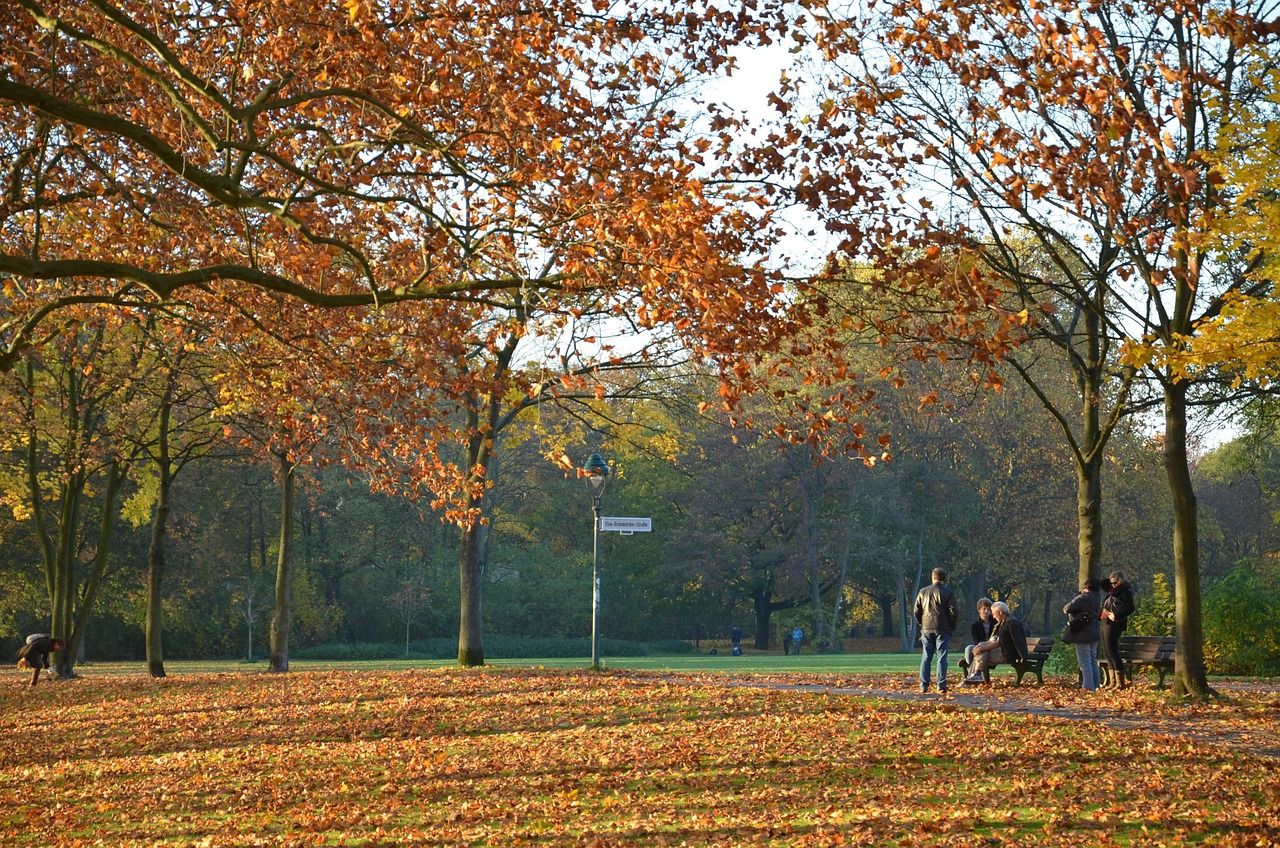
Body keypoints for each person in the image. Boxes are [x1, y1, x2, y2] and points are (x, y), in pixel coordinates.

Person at [913, 568, 959, 693]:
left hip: (926, 627)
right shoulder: (948, 593)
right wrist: (951, 625)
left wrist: (921, 623)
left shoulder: (923, 591)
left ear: (933, 577)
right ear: (944, 579)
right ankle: (941, 685)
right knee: (942, 656)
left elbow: (916, 611)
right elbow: (953, 612)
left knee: (926, 657)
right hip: (943, 628)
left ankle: (924, 685)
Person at [963, 602, 1028, 684]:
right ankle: (975, 675)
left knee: (980, 652)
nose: (993, 616)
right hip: (1003, 651)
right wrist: (980, 647)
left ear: (1000, 612)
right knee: (980, 649)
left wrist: (980, 648)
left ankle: (974, 676)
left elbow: (999, 643)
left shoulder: (1011, 622)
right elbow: (992, 640)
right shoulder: (1003, 622)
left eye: (994, 614)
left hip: (1009, 654)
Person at [1062, 578, 1103, 691]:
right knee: (1092, 659)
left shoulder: (1083, 597)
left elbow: (1067, 608)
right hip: (1095, 631)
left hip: (1082, 632)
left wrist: (1081, 595)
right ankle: (1096, 684)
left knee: (1084, 661)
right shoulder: (1097, 598)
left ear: (1086, 587)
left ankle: (1088, 686)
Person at [1099, 569, 1135, 689]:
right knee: (1107, 652)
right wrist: (1111, 582)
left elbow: (1130, 607)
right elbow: (1102, 583)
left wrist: (1116, 615)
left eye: (1115, 582)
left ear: (1120, 581)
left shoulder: (1124, 590)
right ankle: (1112, 681)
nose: (1113, 585)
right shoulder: (1112, 590)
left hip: (1115, 623)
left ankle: (1120, 682)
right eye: (1112, 583)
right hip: (1105, 621)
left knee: (1112, 651)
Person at [958, 597, 995, 675]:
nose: (986, 611)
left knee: (978, 649)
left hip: (992, 646)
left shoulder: (995, 622)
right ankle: (971, 671)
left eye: (988, 610)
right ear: (979, 610)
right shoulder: (975, 626)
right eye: (984, 609)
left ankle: (971, 674)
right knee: (968, 648)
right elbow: (976, 641)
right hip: (980, 645)